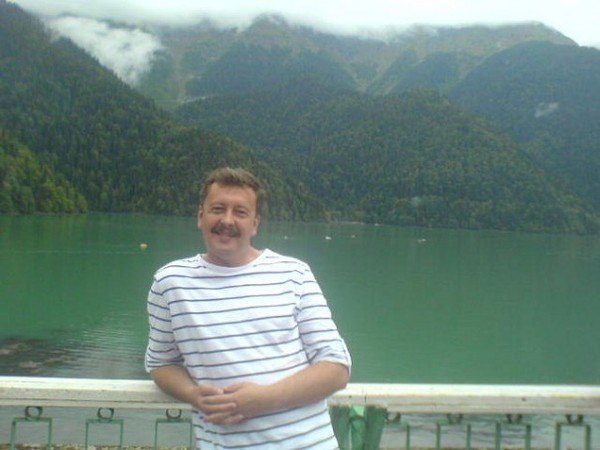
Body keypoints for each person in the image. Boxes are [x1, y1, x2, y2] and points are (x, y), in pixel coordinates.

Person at [145, 167, 352, 449]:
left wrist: (263, 400)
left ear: (254, 224)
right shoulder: (170, 283)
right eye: (218, 209)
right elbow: (161, 363)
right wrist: (194, 395)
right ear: (200, 216)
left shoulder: (294, 273)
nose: (227, 220)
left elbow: (336, 367)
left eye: (240, 212)